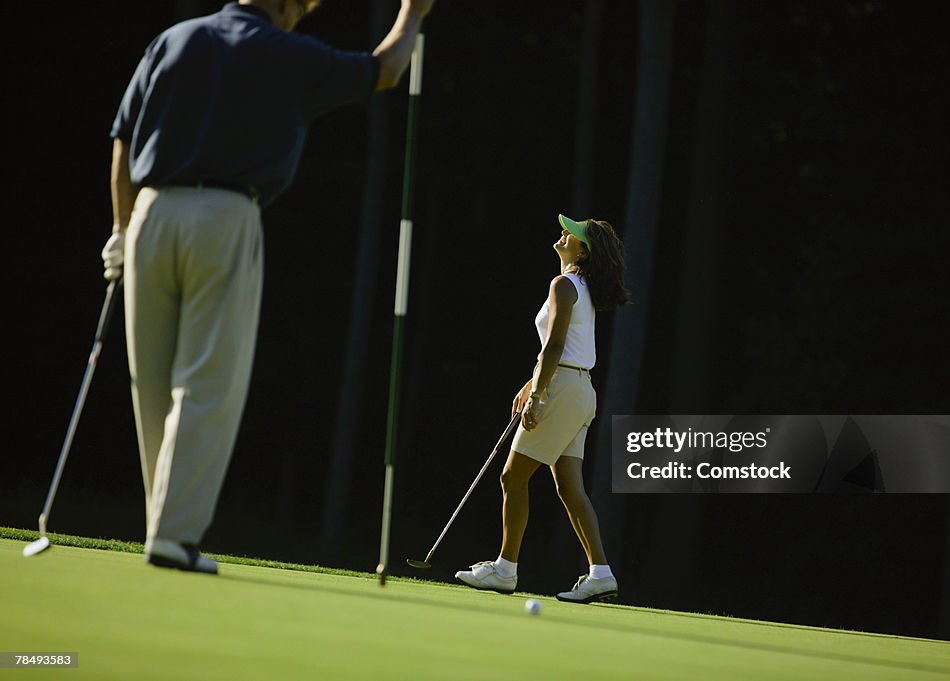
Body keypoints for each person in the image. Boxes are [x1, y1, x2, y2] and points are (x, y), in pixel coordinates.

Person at [100, 0, 435, 574]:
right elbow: (385, 69)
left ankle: (165, 526)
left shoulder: (176, 39)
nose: (300, 18)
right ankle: (173, 534)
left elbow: (124, 142)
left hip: (151, 213)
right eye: (301, 9)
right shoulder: (288, 51)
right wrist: (412, 14)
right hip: (226, 215)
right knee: (208, 378)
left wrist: (120, 227)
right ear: (284, 8)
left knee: (149, 380)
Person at [455, 214, 630, 603]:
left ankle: (505, 568)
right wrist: (532, 383)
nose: (563, 233)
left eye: (572, 233)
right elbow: (564, 351)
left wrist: (538, 394)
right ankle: (601, 573)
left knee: (511, 478)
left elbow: (554, 347)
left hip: (563, 389)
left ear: (582, 249)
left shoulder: (565, 284)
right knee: (569, 486)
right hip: (581, 389)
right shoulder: (578, 286)